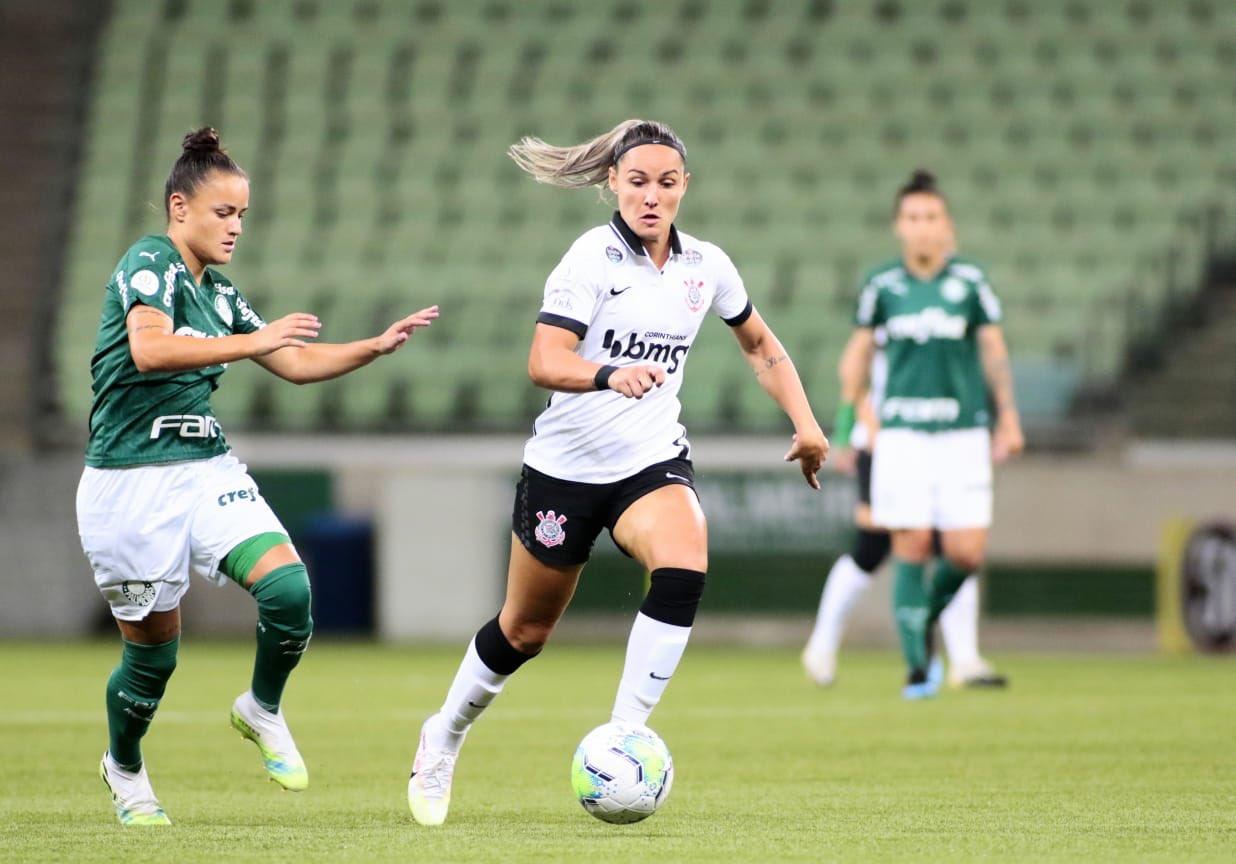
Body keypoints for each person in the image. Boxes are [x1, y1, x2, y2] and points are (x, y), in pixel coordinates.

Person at [406, 119, 829, 826]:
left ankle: (624, 735)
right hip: (564, 470)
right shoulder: (589, 259)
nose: (652, 196)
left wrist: (807, 423)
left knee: (685, 557)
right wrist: (608, 374)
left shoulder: (707, 268)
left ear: (685, 187)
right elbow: (544, 360)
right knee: (525, 630)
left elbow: (760, 345)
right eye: (637, 182)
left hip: (650, 460)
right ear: (612, 183)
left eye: (666, 183)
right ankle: (444, 732)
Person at [76, 127, 439, 825]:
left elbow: (296, 364)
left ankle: (260, 707)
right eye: (224, 212)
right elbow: (150, 351)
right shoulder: (149, 261)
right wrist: (255, 341)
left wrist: (374, 345)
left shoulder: (220, 291)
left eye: (243, 214)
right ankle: (124, 768)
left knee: (289, 588)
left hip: (205, 467)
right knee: (152, 661)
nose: (236, 226)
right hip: (126, 483)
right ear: (179, 207)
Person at [827, 169, 1022, 700]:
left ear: (945, 225)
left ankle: (923, 620)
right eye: (912, 217)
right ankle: (918, 665)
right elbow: (858, 354)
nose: (921, 227)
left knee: (966, 553)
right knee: (910, 542)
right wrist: (853, 415)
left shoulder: (971, 284)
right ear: (899, 226)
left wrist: (1007, 415)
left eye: (930, 217)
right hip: (904, 436)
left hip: (962, 434)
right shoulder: (882, 286)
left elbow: (993, 351)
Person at [802, 326, 1006, 689]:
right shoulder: (888, 304)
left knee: (954, 545)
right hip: (888, 443)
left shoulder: (958, 307)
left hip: (941, 441)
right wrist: (854, 426)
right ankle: (821, 647)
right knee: (871, 546)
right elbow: (854, 364)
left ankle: (965, 659)